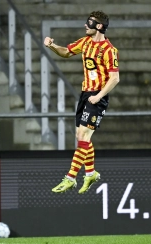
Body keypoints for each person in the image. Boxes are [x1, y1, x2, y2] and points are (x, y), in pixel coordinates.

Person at [44, 11, 119, 194]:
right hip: (86, 94)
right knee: (81, 136)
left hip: (97, 97)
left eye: (90, 22)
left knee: (84, 135)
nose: (86, 25)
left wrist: (99, 96)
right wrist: (52, 45)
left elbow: (115, 78)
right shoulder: (85, 43)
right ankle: (91, 173)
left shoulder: (110, 50)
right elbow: (66, 53)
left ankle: (70, 178)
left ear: (99, 26)